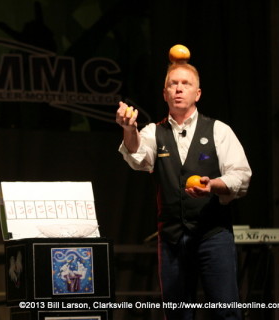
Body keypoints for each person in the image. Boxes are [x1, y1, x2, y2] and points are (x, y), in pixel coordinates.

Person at [116, 62, 252, 319]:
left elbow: (241, 176)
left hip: (213, 235)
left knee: (226, 313)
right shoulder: (153, 132)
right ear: (164, 93)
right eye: (172, 84)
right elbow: (136, 156)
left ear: (197, 93)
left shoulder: (218, 131)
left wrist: (212, 185)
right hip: (172, 239)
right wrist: (128, 128)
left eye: (185, 83)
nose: (178, 88)